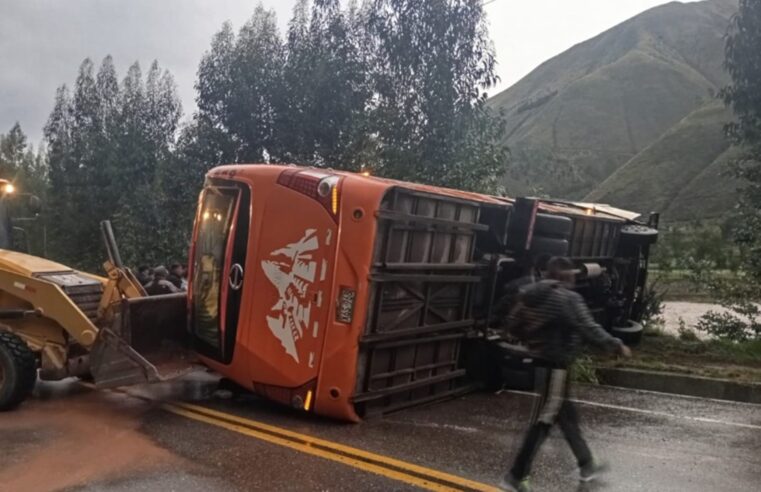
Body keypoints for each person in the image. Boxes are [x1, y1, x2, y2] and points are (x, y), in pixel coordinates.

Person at [499, 256, 631, 492]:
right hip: (556, 364)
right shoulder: (566, 298)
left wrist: (534, 339)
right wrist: (615, 345)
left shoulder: (529, 295)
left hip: (541, 361)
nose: (573, 278)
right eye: (570, 274)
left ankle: (587, 463)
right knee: (545, 419)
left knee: (567, 417)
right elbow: (588, 327)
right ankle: (516, 475)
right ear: (563, 276)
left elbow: (512, 325)